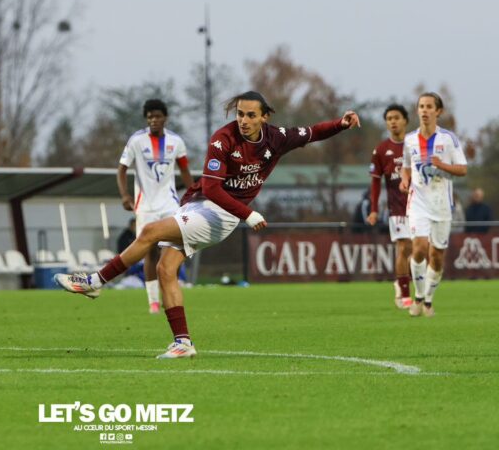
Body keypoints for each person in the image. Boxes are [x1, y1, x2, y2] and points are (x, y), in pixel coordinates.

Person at [56, 91, 360, 358]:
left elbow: (311, 132)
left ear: (264, 117)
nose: (243, 120)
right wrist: (249, 214)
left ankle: (96, 282)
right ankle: (183, 342)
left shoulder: (276, 138)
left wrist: (341, 124)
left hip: (222, 214)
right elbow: (212, 188)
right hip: (204, 204)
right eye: (240, 114)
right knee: (165, 269)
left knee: (149, 232)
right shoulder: (223, 138)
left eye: (251, 115)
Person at [117, 99, 195, 314]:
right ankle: (153, 301)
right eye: (150, 117)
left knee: (173, 248)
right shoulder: (136, 140)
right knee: (149, 252)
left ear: (165, 118)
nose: (153, 120)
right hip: (145, 206)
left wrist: (192, 196)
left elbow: (185, 170)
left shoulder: (176, 141)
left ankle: (170, 291)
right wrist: (125, 196)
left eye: (157, 116)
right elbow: (121, 170)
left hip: (169, 203)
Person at [400, 92, 467, 317]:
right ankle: (418, 297)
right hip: (418, 203)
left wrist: (442, 165)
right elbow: (406, 165)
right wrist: (405, 178)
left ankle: (428, 299)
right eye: (421, 106)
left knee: (437, 256)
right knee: (418, 248)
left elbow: (463, 169)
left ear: (438, 111)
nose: (425, 110)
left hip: (441, 205)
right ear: (417, 110)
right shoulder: (410, 140)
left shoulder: (449, 139)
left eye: (429, 107)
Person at [367, 104, 413, 309]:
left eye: (396, 117)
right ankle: (404, 293)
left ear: (405, 121)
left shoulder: (414, 145)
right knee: (403, 248)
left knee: (420, 250)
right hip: (397, 209)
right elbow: (376, 182)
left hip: (419, 206)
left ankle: (404, 281)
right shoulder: (381, 150)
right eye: (389, 118)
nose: (393, 121)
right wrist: (374, 209)